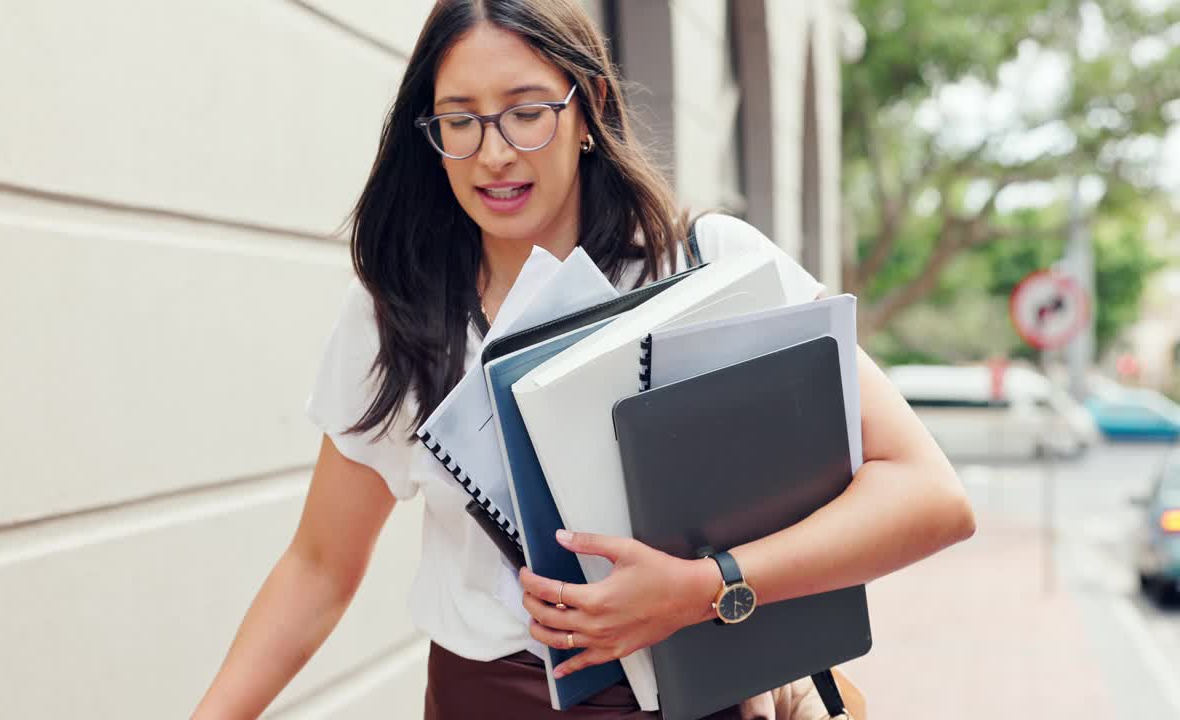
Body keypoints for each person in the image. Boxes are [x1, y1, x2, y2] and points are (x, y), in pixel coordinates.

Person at [193, 1, 976, 717]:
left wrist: (706, 588)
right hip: (485, 700)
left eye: (527, 112)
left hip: (700, 695)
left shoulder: (707, 265)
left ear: (591, 108)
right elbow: (319, 568)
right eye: (459, 121)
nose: (494, 153)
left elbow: (929, 495)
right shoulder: (400, 315)